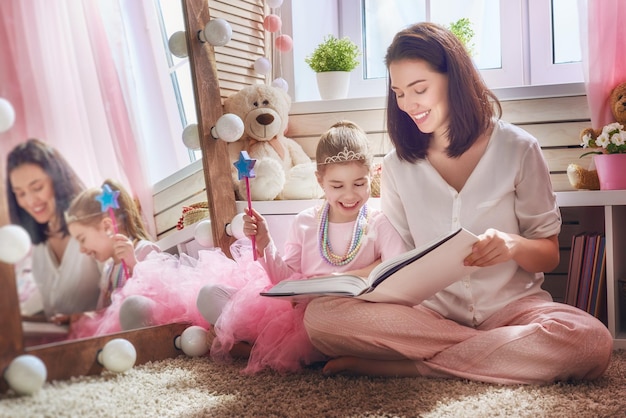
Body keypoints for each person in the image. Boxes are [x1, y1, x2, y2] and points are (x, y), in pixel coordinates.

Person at [303, 22, 614, 385]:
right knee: (320, 318)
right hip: (429, 318)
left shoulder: (518, 148)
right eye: (399, 93)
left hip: (513, 311)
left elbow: (548, 253)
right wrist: (337, 282)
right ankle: (491, 355)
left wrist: (512, 246)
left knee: (591, 340)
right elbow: (397, 259)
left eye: (419, 89)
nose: (408, 104)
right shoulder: (397, 165)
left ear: (455, 79)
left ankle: (419, 366)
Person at [197, 120, 407, 373]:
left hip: (352, 316)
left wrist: (354, 274)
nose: (350, 195)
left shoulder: (378, 222)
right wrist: (265, 244)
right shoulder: (306, 221)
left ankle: (254, 349)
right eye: (337, 186)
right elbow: (286, 284)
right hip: (303, 315)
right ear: (320, 181)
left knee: (334, 326)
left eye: (359, 184)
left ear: (370, 176)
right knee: (210, 294)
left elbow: (400, 271)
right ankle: (258, 347)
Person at [6, 138, 101, 319]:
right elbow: (50, 302)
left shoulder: (91, 225)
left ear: (58, 181)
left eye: (37, 187)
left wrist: (83, 318)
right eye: (20, 193)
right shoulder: (39, 245)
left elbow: (118, 293)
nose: (30, 201)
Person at [65, 179, 161, 310]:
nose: (81, 250)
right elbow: (103, 313)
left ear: (106, 227)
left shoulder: (144, 250)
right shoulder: (108, 270)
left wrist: (133, 264)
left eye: (82, 239)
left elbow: (162, 291)